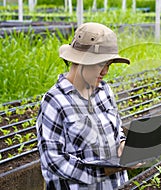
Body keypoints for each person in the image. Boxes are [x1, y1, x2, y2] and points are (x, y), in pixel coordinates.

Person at [36, 22, 131, 190]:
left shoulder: (105, 91)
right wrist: (101, 171)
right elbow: (54, 160)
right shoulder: (55, 101)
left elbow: (116, 131)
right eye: (100, 64)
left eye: (108, 64)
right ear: (80, 61)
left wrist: (123, 145)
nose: (105, 72)